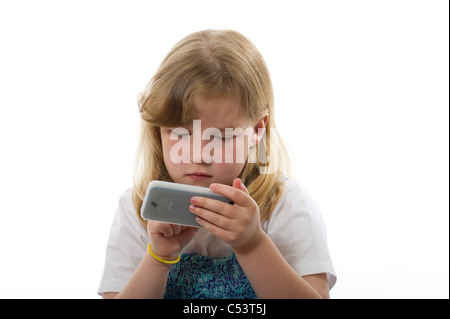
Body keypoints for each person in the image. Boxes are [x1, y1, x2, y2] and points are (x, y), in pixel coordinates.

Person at [98, 29, 336, 299]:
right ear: (158, 131)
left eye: (221, 137)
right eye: (180, 134)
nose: (200, 154)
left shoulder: (285, 203)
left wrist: (252, 244)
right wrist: (158, 257)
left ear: (257, 130)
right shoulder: (138, 208)